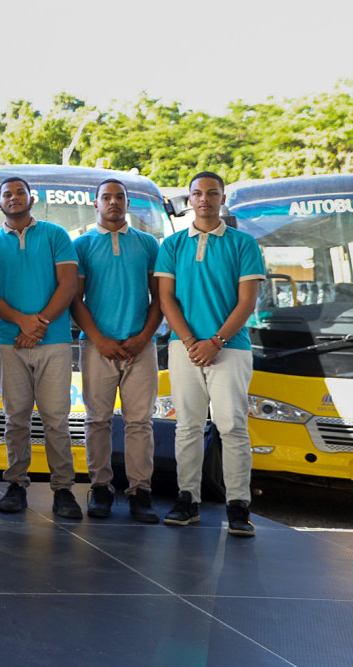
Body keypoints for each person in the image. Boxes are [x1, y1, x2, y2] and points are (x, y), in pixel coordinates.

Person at [155, 171, 265, 536]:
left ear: (222, 199)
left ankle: (238, 506)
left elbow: (247, 302)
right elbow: (166, 299)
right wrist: (190, 342)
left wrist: (215, 341)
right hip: (183, 347)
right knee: (187, 426)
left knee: (232, 426)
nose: (204, 199)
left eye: (212, 193)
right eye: (198, 193)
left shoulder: (243, 243)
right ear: (189, 200)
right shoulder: (172, 245)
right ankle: (187, 500)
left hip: (230, 348)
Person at [0, 177, 81, 519]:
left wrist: (39, 324)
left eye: (20, 192)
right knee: (16, 418)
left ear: (31, 198)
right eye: (7, 194)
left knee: (56, 419)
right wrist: (23, 323)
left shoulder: (56, 235)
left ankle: (63, 488)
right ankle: (16, 484)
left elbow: (69, 284)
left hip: (54, 341)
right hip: (10, 343)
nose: (14, 197)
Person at [70, 179, 162, 523]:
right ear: (95, 203)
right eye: (106, 197)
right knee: (97, 420)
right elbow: (75, 299)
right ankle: (100, 488)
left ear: (127, 203)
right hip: (97, 346)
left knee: (140, 422)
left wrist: (144, 336)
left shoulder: (148, 244)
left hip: (141, 346)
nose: (113, 202)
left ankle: (140, 491)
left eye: (119, 197)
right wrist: (99, 339)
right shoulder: (81, 245)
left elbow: (160, 297)